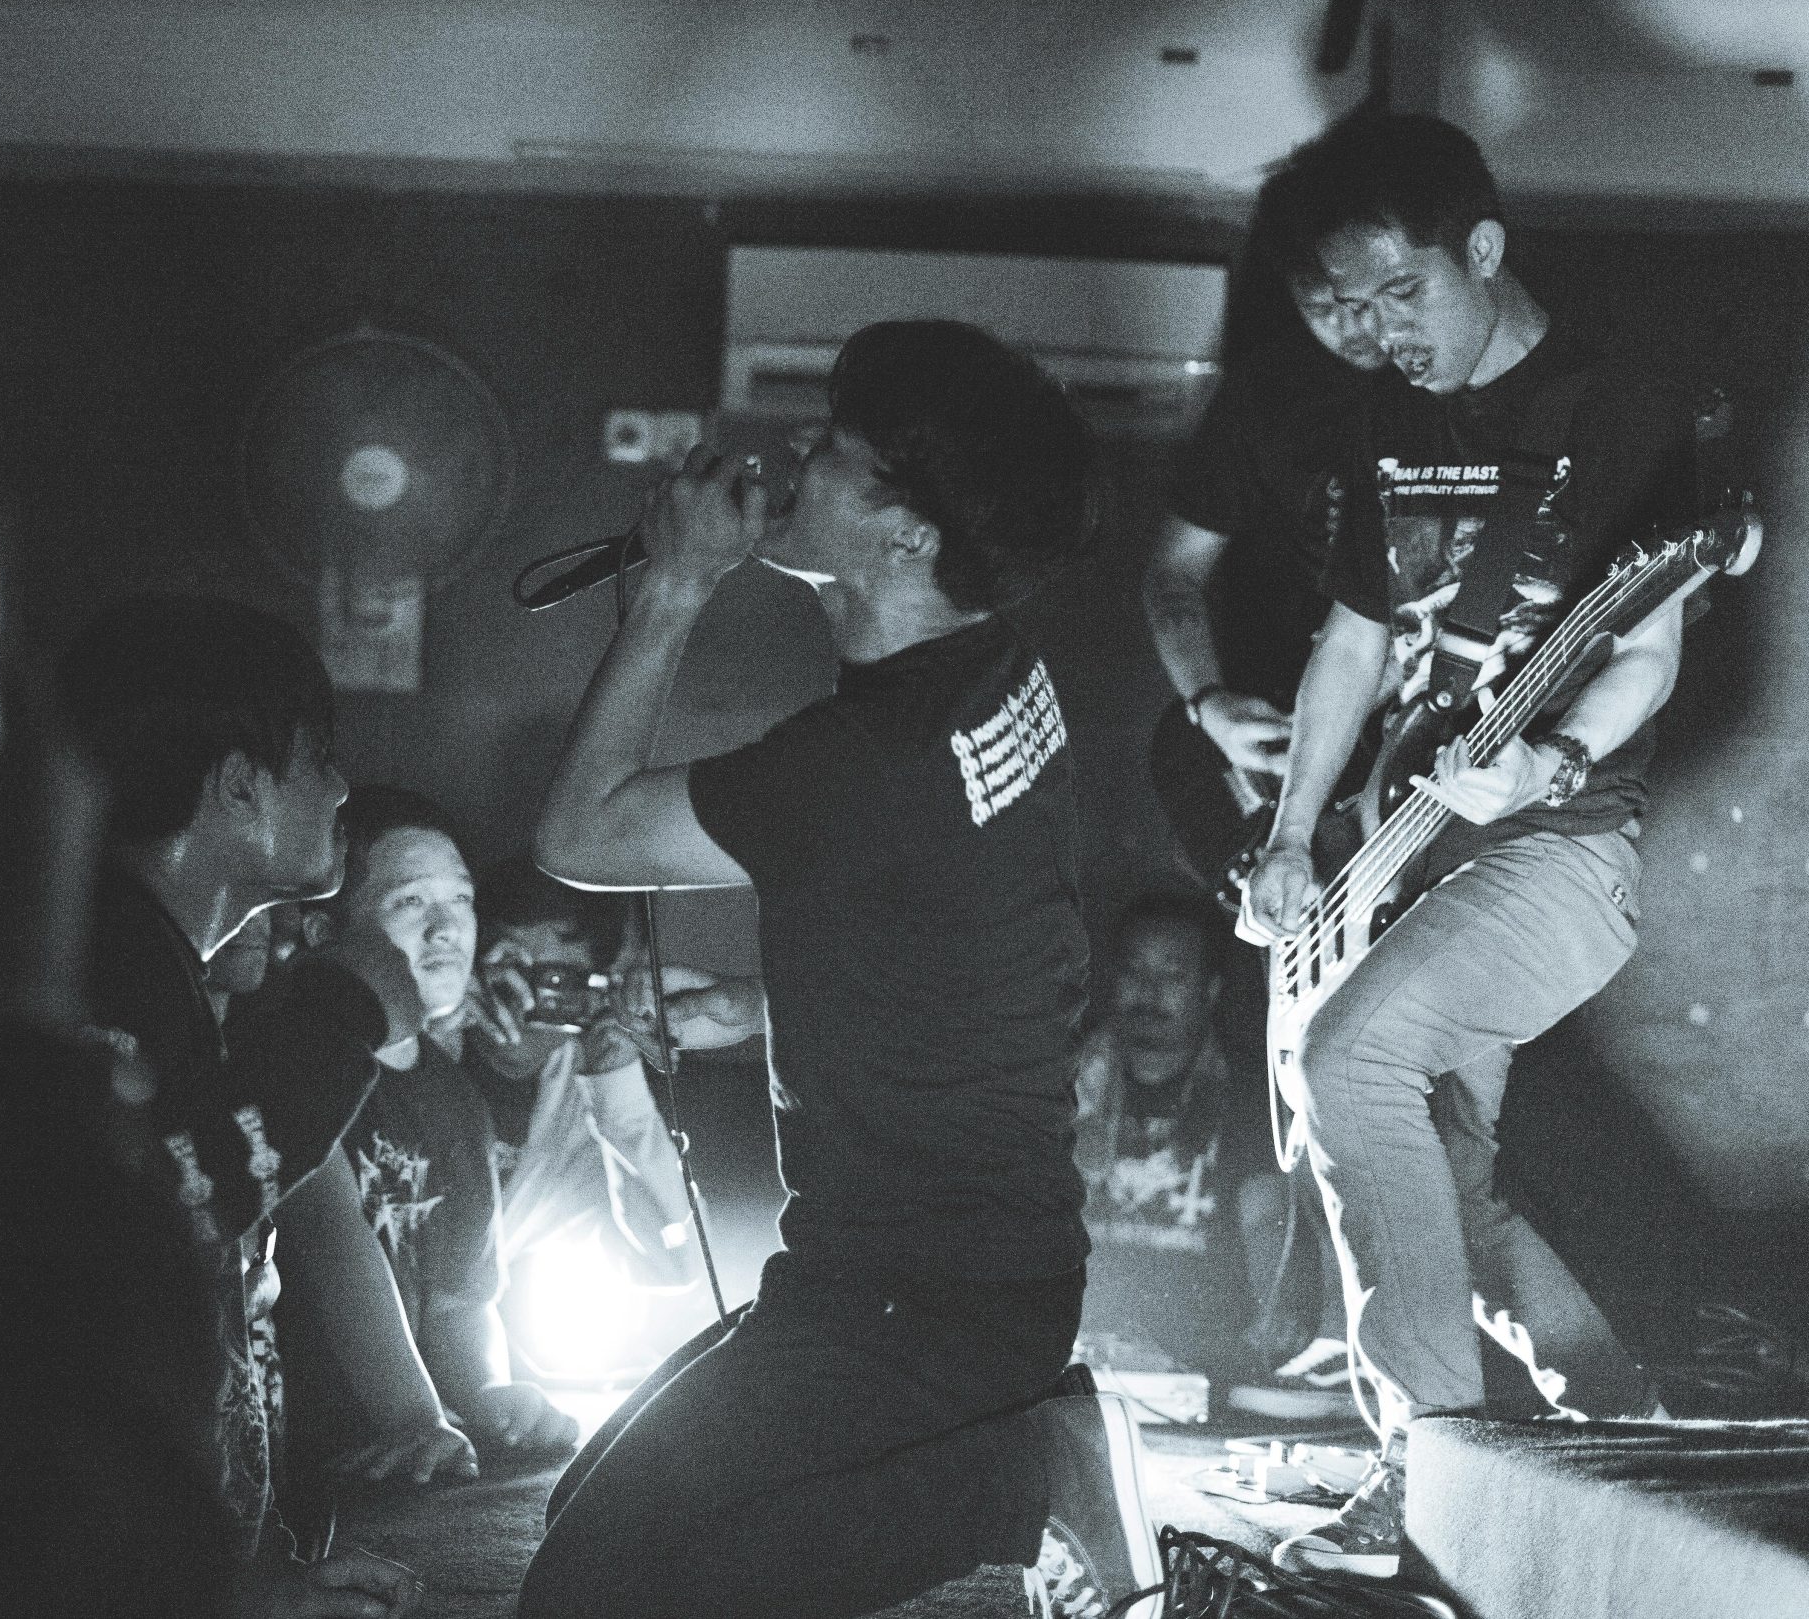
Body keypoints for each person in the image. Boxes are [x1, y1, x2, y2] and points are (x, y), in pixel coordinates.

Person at [520, 321, 1154, 1619]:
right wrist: (767, 1006)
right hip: (967, 1274)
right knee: (587, 1506)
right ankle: (1011, 1450)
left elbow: (579, 836)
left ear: (907, 533)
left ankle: (1025, 1475)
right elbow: (968, 944)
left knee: (596, 1592)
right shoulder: (1001, 672)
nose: (791, 456)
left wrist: (676, 586)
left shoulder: (857, 761)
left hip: (913, 1302)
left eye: (832, 451)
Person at [1239, 112, 1689, 1577]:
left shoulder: (1617, 407)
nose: (1378, 332)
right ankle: (1622, 1424)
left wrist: (1552, 757)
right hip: (1405, 851)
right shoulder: (1388, 425)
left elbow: (1650, 645)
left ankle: (1423, 1459)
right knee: (1446, 1176)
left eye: (1400, 291)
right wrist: (1292, 835)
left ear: (1482, 249)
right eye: (1346, 305)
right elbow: (1354, 643)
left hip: (1561, 849)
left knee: (1348, 1060)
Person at [41, 593, 437, 1617]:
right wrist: (344, 1014)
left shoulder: (140, 960)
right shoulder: (106, 968)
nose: (341, 788)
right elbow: (141, 1231)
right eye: (320, 757)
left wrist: (245, 1580)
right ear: (237, 784)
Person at [297, 788, 581, 1458]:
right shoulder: (302, 1063)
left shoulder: (456, 1100)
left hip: (409, 1450)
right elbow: (332, 1241)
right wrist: (413, 1416)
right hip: (304, 1440)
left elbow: (461, 1299)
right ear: (323, 933)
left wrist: (488, 1393)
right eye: (409, 901)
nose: (446, 927)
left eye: (460, 898)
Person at [1142, 159, 1394, 891]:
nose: (1351, 327)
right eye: (1320, 307)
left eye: (1363, 300)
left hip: (1407, 729)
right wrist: (1208, 705)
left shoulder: (1445, 388)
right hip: (1277, 708)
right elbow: (1173, 572)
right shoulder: (1268, 393)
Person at [1073, 892, 1354, 1422]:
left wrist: (1281, 1311)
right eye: (1133, 972)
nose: (1148, 994)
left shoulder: (1245, 1096)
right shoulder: (1062, 1086)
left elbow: (1268, 1224)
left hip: (1205, 1366)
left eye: (1172, 976)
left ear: (1209, 991)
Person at [459, 858, 701, 1294]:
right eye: (554, 977)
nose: (521, 991)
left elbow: (680, 1262)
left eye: (563, 980)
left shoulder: (581, 1111)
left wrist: (621, 1096)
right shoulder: (408, 1050)